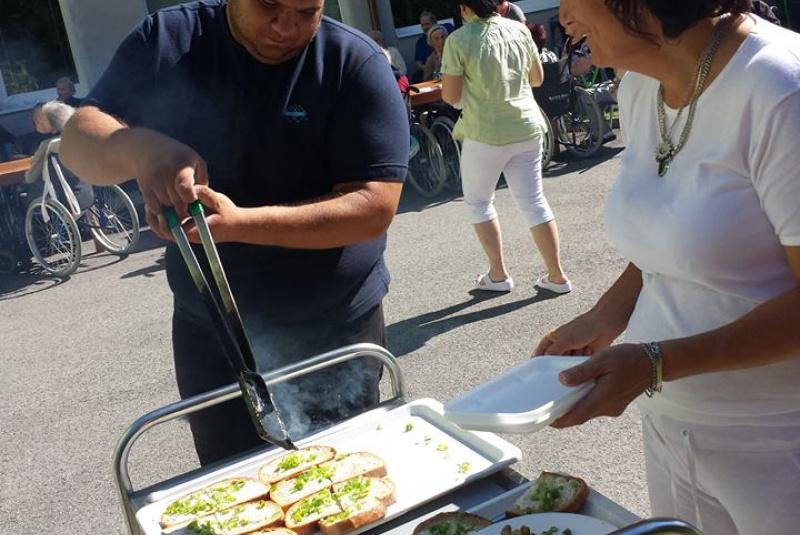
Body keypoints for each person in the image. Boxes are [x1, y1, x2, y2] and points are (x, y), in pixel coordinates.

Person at [60, 0, 409, 466]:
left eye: (307, 11)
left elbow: (373, 206)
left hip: (333, 326)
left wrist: (241, 223)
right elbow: (78, 142)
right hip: (211, 333)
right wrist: (140, 149)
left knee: (348, 475)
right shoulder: (170, 41)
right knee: (230, 483)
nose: (287, 27)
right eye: (269, 6)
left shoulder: (352, 61)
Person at [538, 2, 800, 534]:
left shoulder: (781, 91)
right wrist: (604, 316)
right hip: (670, 424)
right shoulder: (640, 87)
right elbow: (678, 235)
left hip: (778, 440)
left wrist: (656, 362)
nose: (562, 15)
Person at [441, 0, 571, 294]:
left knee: (478, 202)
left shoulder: (458, 40)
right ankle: (557, 276)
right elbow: (536, 79)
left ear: (465, 8)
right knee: (534, 201)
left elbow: (450, 95)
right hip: (527, 126)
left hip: (484, 130)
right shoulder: (520, 30)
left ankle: (498, 275)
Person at [23, 101, 94, 210]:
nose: (36, 124)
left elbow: (31, 177)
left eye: (38, 121)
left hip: (67, 200)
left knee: (27, 198)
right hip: (88, 194)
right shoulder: (77, 136)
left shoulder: (47, 145)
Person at [414, 12, 455, 80]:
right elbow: (418, 63)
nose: (440, 41)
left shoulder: (446, 29)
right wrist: (430, 67)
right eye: (422, 25)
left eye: (427, 24)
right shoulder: (421, 43)